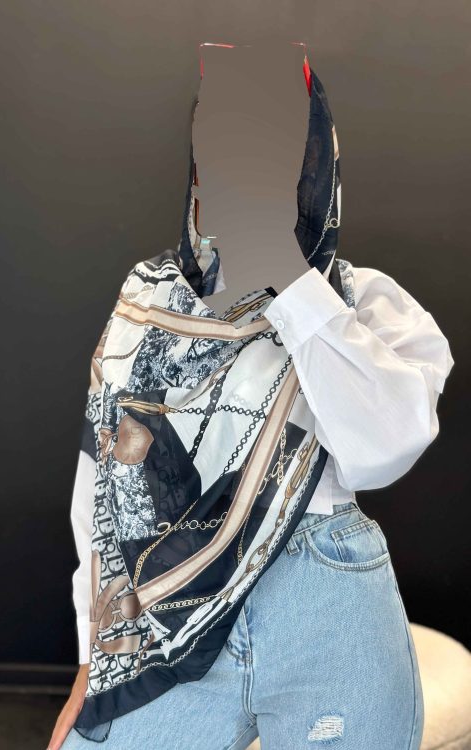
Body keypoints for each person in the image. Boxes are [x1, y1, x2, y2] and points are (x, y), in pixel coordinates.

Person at [48, 47, 455, 750]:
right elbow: (102, 490)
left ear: (313, 165)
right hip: (165, 601)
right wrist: (94, 654)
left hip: (327, 600)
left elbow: (382, 451)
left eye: (273, 155)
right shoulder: (150, 302)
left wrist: (287, 280)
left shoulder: (362, 303)